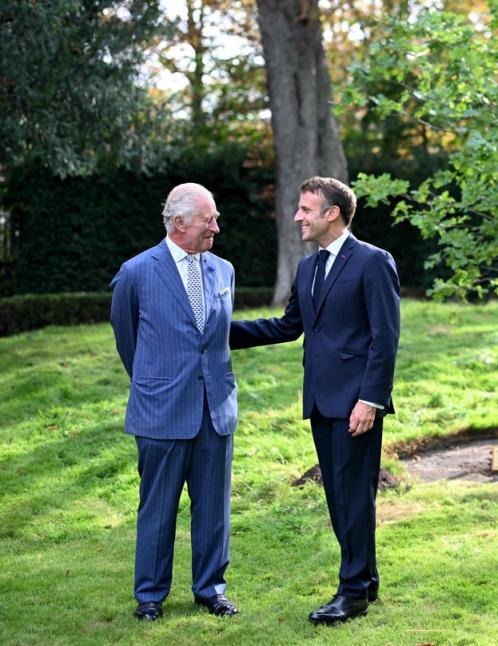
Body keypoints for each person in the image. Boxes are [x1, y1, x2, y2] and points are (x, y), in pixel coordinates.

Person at [230, 176, 400, 626]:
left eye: (306, 209)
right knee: (341, 496)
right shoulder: (307, 269)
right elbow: (288, 327)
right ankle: (367, 580)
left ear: (333, 213)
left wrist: (371, 399)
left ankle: (352, 594)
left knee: (352, 496)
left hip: (356, 403)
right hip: (320, 401)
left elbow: (386, 338)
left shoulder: (372, 262)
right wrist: (220, 331)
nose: (297, 217)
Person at [110, 183, 239, 621]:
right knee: (158, 510)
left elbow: (217, 339)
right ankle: (149, 596)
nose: (216, 228)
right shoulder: (136, 272)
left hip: (215, 411)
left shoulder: (223, 270)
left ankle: (211, 589)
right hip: (160, 413)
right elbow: (128, 340)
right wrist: (157, 383)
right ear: (179, 222)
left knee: (214, 510)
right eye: (209, 220)